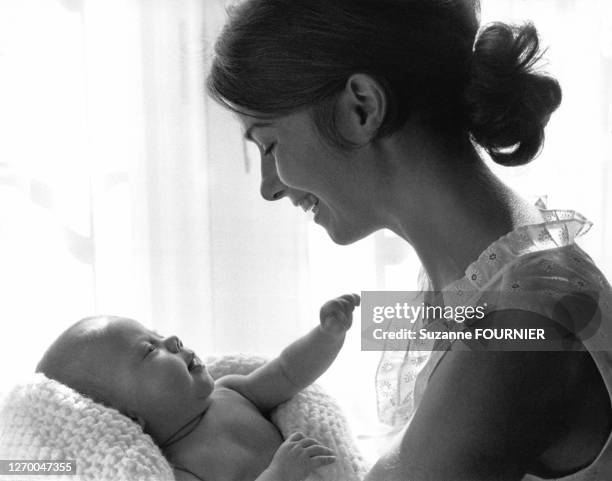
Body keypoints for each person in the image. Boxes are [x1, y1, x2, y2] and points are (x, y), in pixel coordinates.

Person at [207, 1, 612, 480]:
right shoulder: (479, 266)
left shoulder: (516, 329)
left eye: (269, 145)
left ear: (362, 107)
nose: (269, 187)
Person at [36, 293, 361, 481]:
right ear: (130, 419)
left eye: (157, 333)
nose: (172, 340)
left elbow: (290, 371)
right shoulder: (182, 470)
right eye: (151, 350)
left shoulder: (232, 392)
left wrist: (328, 335)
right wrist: (279, 475)